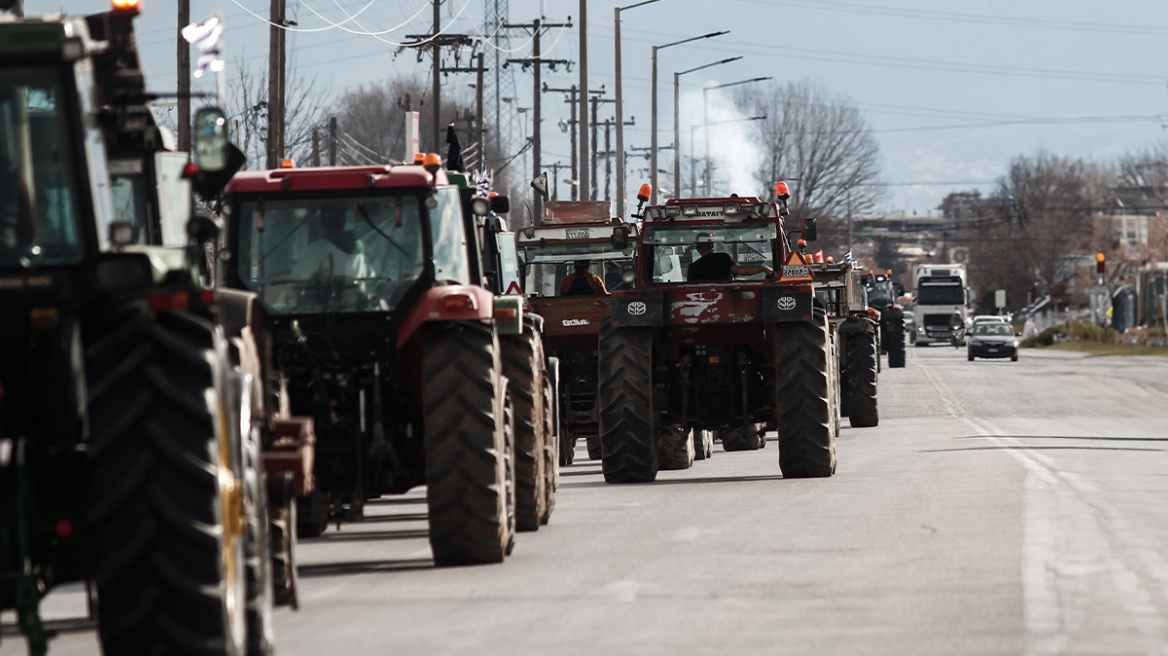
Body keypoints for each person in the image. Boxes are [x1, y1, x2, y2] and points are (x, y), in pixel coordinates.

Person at [291, 206, 373, 281]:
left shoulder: (318, 248)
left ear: (320, 222)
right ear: (343, 222)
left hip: (329, 296)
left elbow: (298, 279)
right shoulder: (360, 247)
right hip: (358, 295)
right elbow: (371, 276)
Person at [686, 232, 773, 282]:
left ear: (697, 248)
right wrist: (763, 268)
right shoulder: (723, 258)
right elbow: (740, 271)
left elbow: (688, 289)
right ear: (712, 245)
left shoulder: (693, 268)